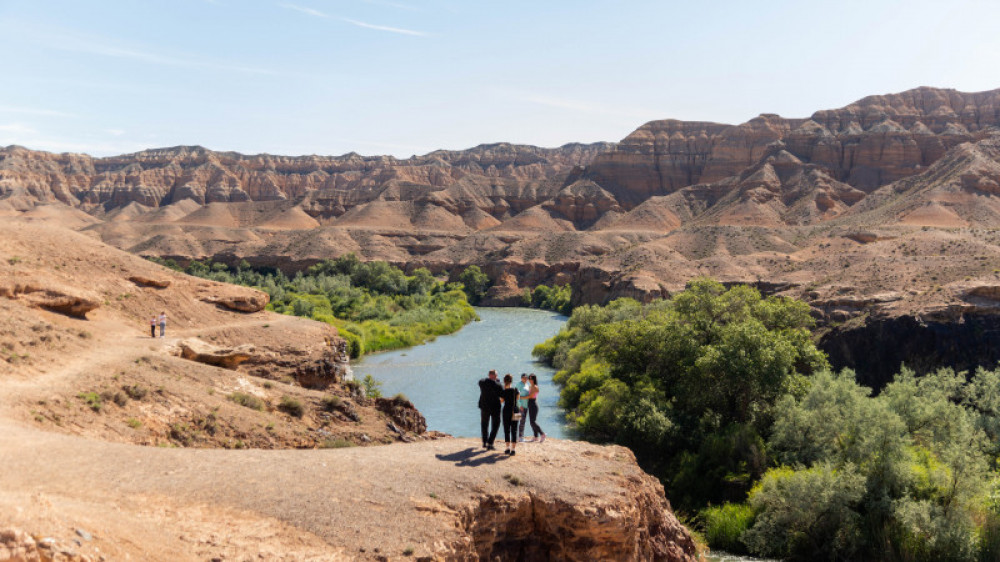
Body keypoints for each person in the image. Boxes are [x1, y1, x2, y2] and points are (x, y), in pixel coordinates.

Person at [477, 369, 502, 450]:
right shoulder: (498, 385)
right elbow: (502, 394)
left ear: (489, 375)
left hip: (484, 406)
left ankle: (484, 441)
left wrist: (493, 380)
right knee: (496, 424)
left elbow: (482, 381)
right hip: (495, 407)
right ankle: (490, 442)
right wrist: (497, 382)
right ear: (494, 376)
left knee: (484, 424)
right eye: (496, 375)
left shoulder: (482, 382)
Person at [500, 374, 520, 455]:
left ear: (504, 381)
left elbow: (501, 401)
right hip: (516, 409)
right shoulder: (516, 389)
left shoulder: (503, 391)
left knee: (507, 429)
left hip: (506, 410)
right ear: (511, 381)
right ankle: (513, 449)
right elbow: (518, 398)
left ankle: (507, 448)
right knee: (514, 429)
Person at [526, 373, 546, 443]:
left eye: (531, 379)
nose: (530, 380)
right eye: (529, 378)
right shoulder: (530, 386)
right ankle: (535, 437)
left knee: (533, 421)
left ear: (534, 379)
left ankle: (542, 434)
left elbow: (531, 396)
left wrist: (522, 397)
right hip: (530, 404)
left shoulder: (535, 387)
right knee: (531, 422)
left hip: (533, 404)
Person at [515, 373, 530, 442]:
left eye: (526, 378)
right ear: (521, 378)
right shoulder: (519, 385)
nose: (525, 379)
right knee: (516, 421)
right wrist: (519, 405)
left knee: (522, 421)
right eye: (524, 377)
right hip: (519, 406)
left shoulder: (527, 385)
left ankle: (520, 436)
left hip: (526, 406)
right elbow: (516, 396)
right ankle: (516, 436)